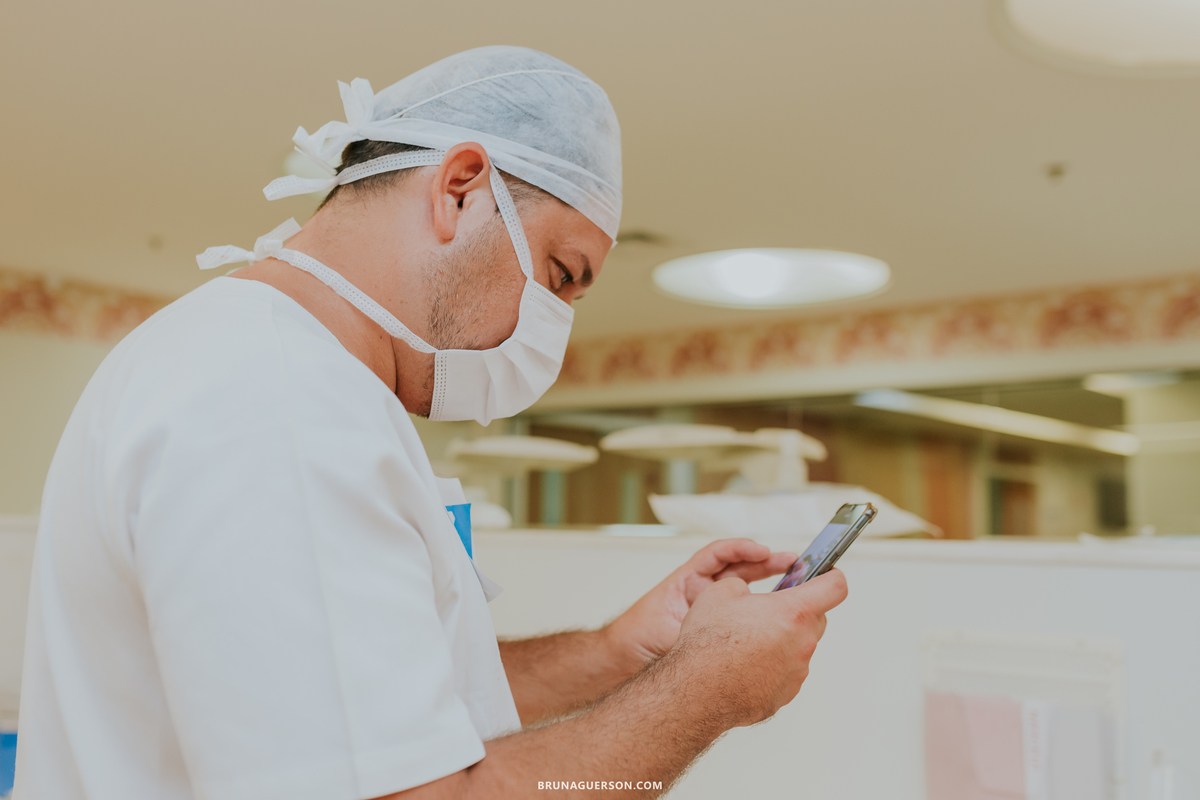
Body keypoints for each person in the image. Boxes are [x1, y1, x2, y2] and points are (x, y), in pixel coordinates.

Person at [15, 46, 848, 799]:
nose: (551, 327)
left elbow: (379, 706)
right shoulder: (279, 406)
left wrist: (620, 651)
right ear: (460, 188)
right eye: (561, 275)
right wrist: (708, 690)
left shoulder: (278, 371)